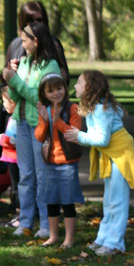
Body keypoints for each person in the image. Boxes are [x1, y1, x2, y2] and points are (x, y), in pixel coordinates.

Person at [66, 70, 134, 257]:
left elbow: (102, 140)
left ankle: (115, 243)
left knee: (117, 201)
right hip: (113, 156)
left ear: (90, 88)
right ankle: (103, 238)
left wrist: (79, 136)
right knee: (109, 201)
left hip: (121, 156)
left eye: (79, 82)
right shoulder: (97, 108)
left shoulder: (102, 110)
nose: (75, 86)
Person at [3, 21, 62, 239]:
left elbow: (41, 97)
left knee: (43, 175)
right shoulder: (24, 62)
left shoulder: (51, 67)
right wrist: (11, 79)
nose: (22, 43)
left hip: (41, 126)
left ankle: (47, 224)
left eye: (24, 39)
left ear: (36, 41)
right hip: (22, 123)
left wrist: (15, 81)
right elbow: (18, 96)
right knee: (26, 176)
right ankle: (26, 222)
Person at [34, 73, 83, 249]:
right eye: (51, 90)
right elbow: (39, 137)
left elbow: (74, 133)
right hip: (50, 162)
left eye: (59, 88)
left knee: (68, 200)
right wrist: (45, 121)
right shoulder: (45, 110)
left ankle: (69, 239)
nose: (56, 93)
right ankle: (53, 236)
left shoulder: (73, 108)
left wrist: (59, 122)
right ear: (44, 94)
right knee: (51, 200)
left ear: (65, 89)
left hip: (68, 162)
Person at [0, 85, 19, 225]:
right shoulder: (12, 118)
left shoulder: (16, 120)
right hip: (11, 159)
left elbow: (16, 140)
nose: (3, 106)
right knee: (15, 186)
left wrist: (3, 139)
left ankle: (20, 217)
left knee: (17, 187)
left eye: (4, 102)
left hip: (16, 159)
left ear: (12, 102)